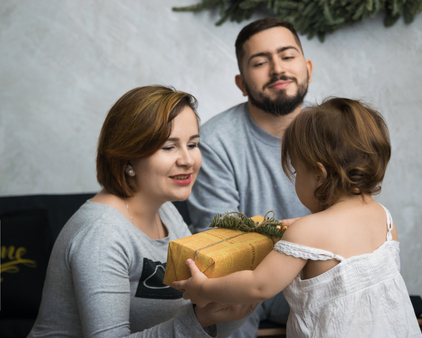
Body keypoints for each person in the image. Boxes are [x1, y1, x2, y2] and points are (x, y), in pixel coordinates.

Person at [175, 98, 422, 338]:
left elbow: (257, 286)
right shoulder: (384, 218)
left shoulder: (307, 231)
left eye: (296, 170)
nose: (295, 178)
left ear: (319, 175)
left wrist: (203, 289)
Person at [27, 85, 255, 338]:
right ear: (128, 159)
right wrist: (200, 318)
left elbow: (197, 327)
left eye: (192, 144)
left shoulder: (166, 211)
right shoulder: (102, 233)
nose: (188, 160)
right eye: (169, 147)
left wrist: (240, 302)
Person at [187, 17, 313, 336]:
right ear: (241, 83)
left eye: (287, 56)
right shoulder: (214, 141)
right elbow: (218, 241)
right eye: (260, 62)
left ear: (308, 67)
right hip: (247, 276)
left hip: (316, 271)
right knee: (227, 311)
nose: (277, 69)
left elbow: (354, 215)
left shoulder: (333, 131)